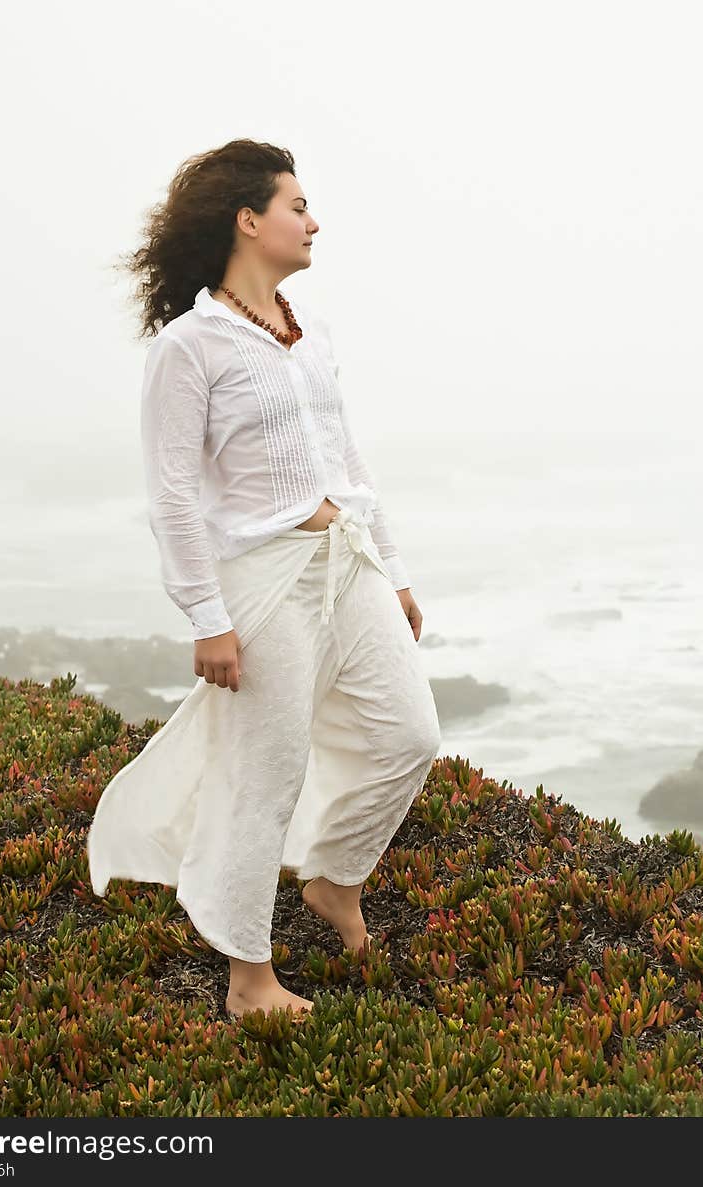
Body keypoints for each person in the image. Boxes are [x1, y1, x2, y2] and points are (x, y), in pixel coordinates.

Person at [87, 138, 441, 1021]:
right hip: (263, 578)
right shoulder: (189, 346)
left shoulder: (308, 329)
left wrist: (392, 571)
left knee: (411, 734)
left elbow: (347, 460)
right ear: (249, 220)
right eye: (297, 206)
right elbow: (171, 495)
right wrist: (206, 615)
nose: (313, 221)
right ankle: (250, 979)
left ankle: (335, 880)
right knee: (267, 771)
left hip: (345, 561)